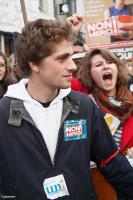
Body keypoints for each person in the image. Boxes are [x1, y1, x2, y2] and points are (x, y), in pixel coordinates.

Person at [0, 18, 133, 200]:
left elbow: (114, 164)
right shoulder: (3, 113)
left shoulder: (84, 107)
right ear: (34, 63)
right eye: (62, 58)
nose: (72, 66)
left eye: (71, 56)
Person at [71, 48, 133, 199]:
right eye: (98, 65)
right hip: (101, 183)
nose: (105, 66)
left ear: (117, 69)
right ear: (90, 73)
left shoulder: (131, 100)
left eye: (110, 62)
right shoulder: (86, 104)